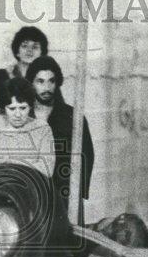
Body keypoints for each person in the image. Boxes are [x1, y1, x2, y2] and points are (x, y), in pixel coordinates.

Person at [25, 55, 96, 208]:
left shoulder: (72, 117)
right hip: (29, 194)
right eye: (40, 81)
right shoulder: (23, 115)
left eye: (51, 81)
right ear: (31, 83)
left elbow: (87, 155)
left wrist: (78, 195)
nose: (47, 87)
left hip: (64, 195)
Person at [0, 77, 54, 180]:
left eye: (23, 108)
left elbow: (47, 169)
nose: (18, 114)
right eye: (12, 108)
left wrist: (5, 164)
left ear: (30, 107)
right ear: (3, 108)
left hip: (28, 190)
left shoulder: (42, 130)